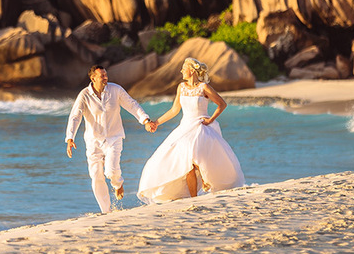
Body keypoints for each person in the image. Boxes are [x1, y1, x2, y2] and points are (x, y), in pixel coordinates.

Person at [137, 57, 245, 203]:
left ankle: (206, 181)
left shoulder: (204, 87)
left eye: (184, 68)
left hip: (202, 126)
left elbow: (222, 104)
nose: (181, 71)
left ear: (192, 70)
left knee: (194, 156)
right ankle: (194, 198)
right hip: (185, 127)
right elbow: (174, 110)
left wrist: (211, 119)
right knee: (186, 162)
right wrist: (157, 122)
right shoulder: (181, 87)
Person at [65, 65, 158, 213]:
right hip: (93, 142)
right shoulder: (84, 95)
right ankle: (106, 211)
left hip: (114, 138)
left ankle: (117, 184)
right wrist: (70, 138)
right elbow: (75, 116)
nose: (105, 78)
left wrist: (145, 120)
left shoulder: (115, 90)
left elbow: (132, 105)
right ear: (93, 78)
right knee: (96, 176)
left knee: (112, 171)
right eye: (102, 76)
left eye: (106, 75)